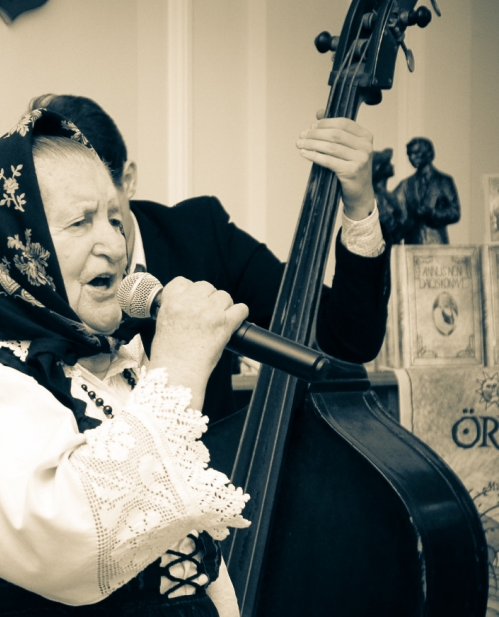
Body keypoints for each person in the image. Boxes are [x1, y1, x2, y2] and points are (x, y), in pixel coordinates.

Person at [0, 108, 294, 617]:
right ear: (11, 242)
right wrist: (180, 368)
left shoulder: (114, 376)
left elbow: (195, 575)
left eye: (115, 217)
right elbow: (75, 544)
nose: (115, 243)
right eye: (80, 221)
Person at [28, 94, 389, 423]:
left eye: (110, 214)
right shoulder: (29, 270)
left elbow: (346, 340)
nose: (106, 242)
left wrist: (359, 202)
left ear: (129, 180)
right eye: (77, 220)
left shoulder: (202, 235)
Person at [392, 136, 461, 245]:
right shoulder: (406, 184)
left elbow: (455, 212)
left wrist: (433, 213)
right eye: (409, 154)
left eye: (416, 153)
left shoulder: (443, 181)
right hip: (412, 244)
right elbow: (394, 208)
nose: (412, 157)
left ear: (428, 153)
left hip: (437, 243)